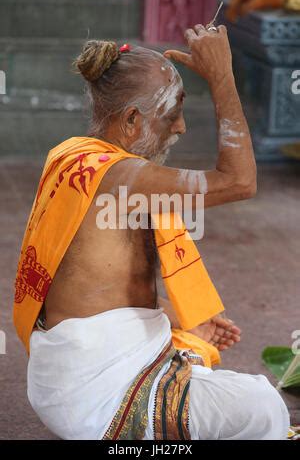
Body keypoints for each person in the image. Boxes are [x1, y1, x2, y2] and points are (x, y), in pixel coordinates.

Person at [14, 23, 290, 440]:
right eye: (173, 111)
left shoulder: (73, 156)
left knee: (223, 382)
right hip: (96, 397)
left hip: (65, 382)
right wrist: (222, 78)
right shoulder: (120, 176)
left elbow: (94, 282)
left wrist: (175, 314)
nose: (179, 127)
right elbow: (240, 182)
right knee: (262, 406)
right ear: (130, 120)